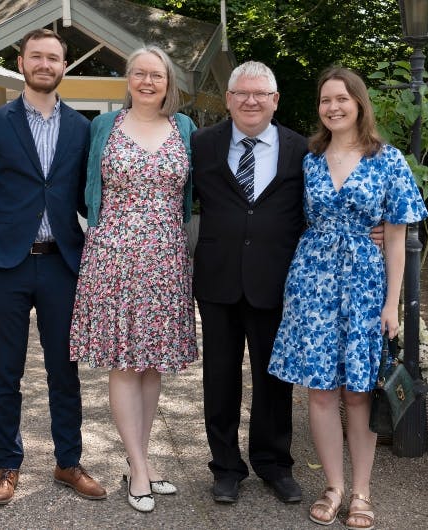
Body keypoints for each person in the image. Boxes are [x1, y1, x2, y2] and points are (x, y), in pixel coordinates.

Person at [268, 67, 428, 529]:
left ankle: (362, 491)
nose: (333, 107)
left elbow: (396, 239)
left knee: (358, 394)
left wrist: (391, 305)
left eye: (342, 98)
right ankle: (333, 486)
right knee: (320, 392)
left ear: (359, 103)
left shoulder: (388, 159)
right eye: (325, 100)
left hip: (363, 285)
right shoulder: (310, 160)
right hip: (312, 284)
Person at [0, 29, 106, 505]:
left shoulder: (83, 128)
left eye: (54, 58)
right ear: (21, 61)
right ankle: (7, 465)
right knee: (5, 372)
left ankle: (68, 462)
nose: (45, 64)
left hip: (62, 263)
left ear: (64, 65)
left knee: (64, 371)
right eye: (37, 56)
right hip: (3, 265)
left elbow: (92, 197)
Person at [69, 45, 198, 513]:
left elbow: (191, 195)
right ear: (128, 79)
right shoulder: (104, 127)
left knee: (151, 364)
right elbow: (86, 190)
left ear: (168, 84)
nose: (148, 82)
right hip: (115, 255)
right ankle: (140, 469)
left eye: (157, 76)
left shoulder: (184, 129)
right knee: (124, 361)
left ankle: (138, 460)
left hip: (166, 256)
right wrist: (113, 229)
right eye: (139, 74)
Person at [191, 61, 307, 504]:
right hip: (217, 279)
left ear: (276, 100)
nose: (251, 101)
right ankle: (225, 467)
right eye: (242, 93)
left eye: (261, 94)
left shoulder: (301, 149)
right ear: (229, 99)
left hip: (276, 280)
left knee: (274, 379)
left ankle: (274, 464)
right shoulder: (201, 144)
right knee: (219, 378)